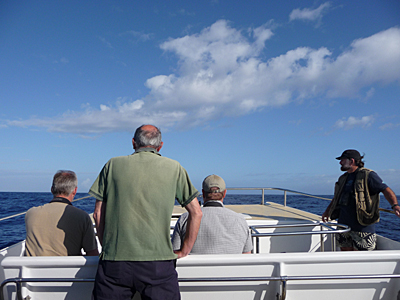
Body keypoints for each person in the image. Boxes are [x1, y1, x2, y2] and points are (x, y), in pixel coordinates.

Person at [90, 124, 202, 300]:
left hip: (115, 262)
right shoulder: (174, 167)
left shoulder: (112, 165)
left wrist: (109, 247)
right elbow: (196, 212)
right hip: (158, 264)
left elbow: (98, 214)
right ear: (160, 146)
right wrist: (185, 250)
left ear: (133, 143)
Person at [322, 149, 400, 251]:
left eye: (342, 160)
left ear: (352, 161)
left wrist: (395, 205)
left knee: (364, 257)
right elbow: (336, 198)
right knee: (345, 254)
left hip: (362, 226)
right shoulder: (343, 178)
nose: (340, 163)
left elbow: (385, 189)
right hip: (343, 224)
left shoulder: (368, 175)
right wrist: (327, 212)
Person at [172, 174, 253, 254]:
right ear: (224, 193)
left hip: (196, 267)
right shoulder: (240, 220)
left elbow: (174, 252)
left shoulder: (185, 219)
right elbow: (247, 255)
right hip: (231, 267)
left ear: (203, 193)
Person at [25, 170, 98, 256]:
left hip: (33, 269)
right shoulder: (82, 217)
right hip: (69, 269)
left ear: (52, 189)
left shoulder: (30, 214)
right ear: (75, 190)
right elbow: (93, 255)